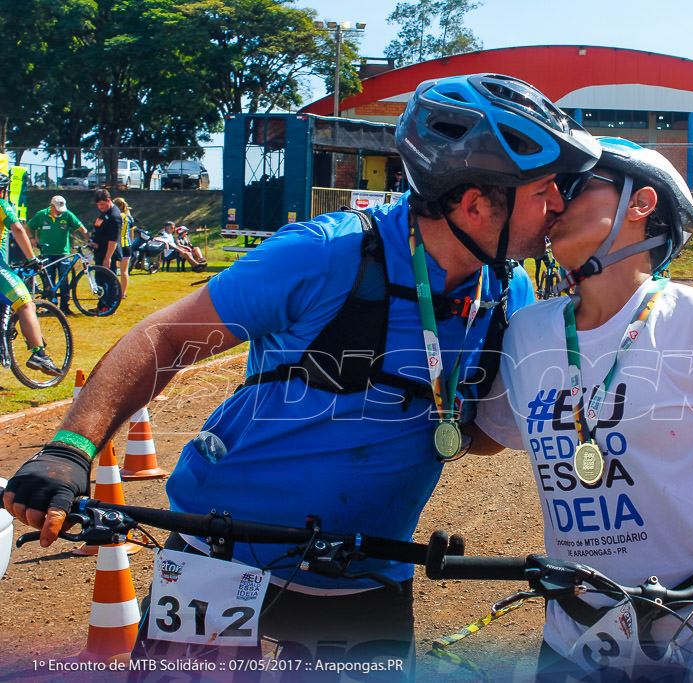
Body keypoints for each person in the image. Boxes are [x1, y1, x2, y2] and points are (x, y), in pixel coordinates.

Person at [1, 73, 600, 672]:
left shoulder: (507, 292)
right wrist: (71, 449)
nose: (558, 205)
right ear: (475, 202)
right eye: (545, 189)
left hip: (365, 572)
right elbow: (163, 338)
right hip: (220, 552)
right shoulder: (327, 253)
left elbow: (487, 435)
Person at [473, 138, 693, 680]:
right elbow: (480, 436)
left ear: (639, 204)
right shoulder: (525, 332)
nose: (552, 201)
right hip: (577, 637)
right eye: (546, 189)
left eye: (571, 186)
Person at [0, 173, 62, 375]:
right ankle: (39, 354)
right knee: (26, 304)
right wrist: (31, 258)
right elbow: (18, 228)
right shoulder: (2, 203)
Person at [26, 195, 89, 314]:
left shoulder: (67, 215)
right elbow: (28, 226)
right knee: (49, 281)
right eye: (57, 209)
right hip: (47, 253)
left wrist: (89, 239)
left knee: (64, 280)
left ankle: (65, 306)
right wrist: (32, 238)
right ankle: (51, 306)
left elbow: (81, 228)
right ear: (51, 206)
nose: (60, 212)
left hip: (63, 253)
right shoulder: (41, 215)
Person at [89, 189, 121, 313]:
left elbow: (113, 240)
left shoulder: (114, 216)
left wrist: (108, 258)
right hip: (99, 251)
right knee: (100, 280)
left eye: (102, 204)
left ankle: (110, 306)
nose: (100, 208)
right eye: (98, 205)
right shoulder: (105, 213)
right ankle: (102, 304)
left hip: (108, 253)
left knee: (110, 280)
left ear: (108, 201)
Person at [112, 197, 133, 299]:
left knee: (113, 269)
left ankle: (113, 291)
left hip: (118, 245)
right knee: (124, 271)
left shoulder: (117, 216)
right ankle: (123, 293)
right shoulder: (129, 217)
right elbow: (131, 233)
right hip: (127, 245)